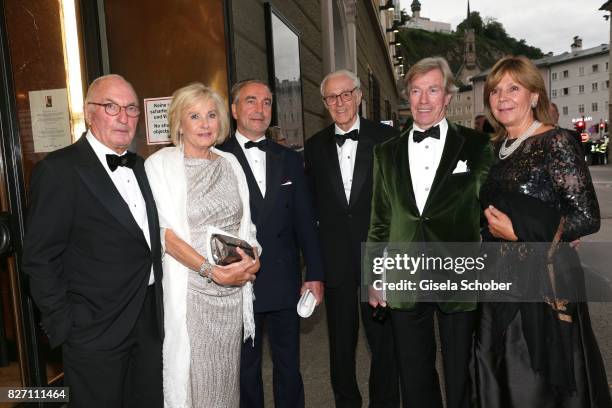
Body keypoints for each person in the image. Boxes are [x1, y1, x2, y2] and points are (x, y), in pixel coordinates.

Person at [474, 55, 612, 407]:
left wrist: (520, 232)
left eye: (514, 88)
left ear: (534, 96)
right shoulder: (495, 149)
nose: (502, 97)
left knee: (533, 381)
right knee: (498, 373)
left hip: (543, 283)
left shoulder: (557, 142)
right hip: (497, 280)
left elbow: (586, 216)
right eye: (495, 90)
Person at [22, 74, 163, 407]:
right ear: (88, 112)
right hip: (94, 329)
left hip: (147, 321)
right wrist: (67, 325)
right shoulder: (60, 170)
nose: (124, 117)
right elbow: (39, 258)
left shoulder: (143, 167)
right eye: (111, 107)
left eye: (131, 109)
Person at [367, 57, 493, 408]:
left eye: (433, 90)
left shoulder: (476, 146)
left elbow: (493, 208)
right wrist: (375, 275)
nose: (423, 100)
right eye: (416, 91)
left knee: (461, 369)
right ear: (407, 96)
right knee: (414, 370)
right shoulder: (385, 152)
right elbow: (380, 219)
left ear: (448, 96)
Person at [145, 83, 260, 407]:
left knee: (224, 384)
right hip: (191, 295)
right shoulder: (160, 166)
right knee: (192, 384)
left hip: (231, 295)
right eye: (194, 116)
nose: (205, 123)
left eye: (211, 115)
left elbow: (245, 226)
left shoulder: (230, 163)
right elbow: (164, 234)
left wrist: (253, 261)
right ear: (179, 123)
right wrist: (209, 270)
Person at [218, 79, 324, 408]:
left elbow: (305, 221)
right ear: (234, 109)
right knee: (245, 369)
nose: (260, 109)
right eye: (251, 101)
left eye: (266, 102)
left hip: (283, 277)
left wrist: (315, 274)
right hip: (237, 281)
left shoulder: (289, 158)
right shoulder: (217, 157)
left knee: (288, 365)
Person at [304, 69, 400, 408]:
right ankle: (347, 402)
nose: (340, 102)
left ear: (359, 96)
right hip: (335, 263)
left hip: (377, 258)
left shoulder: (388, 139)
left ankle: (384, 402)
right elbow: (311, 208)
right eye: (332, 97)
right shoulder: (314, 147)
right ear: (324, 104)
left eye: (346, 94)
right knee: (340, 346)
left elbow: (398, 203)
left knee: (383, 342)